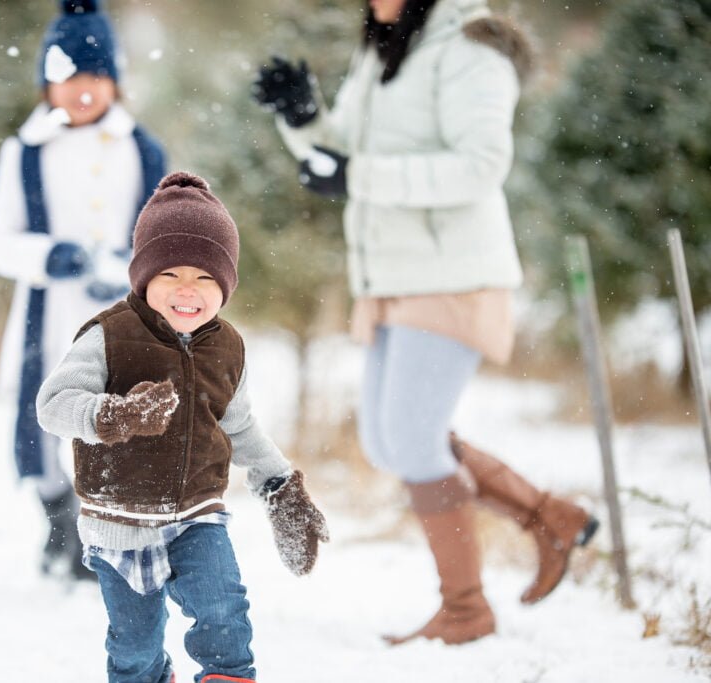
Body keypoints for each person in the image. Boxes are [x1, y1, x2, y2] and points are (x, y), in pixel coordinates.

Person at [253, 0, 598, 645]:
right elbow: (344, 158)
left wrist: (360, 175)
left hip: (454, 274)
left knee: (412, 440)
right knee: (393, 444)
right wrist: (300, 118)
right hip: (395, 278)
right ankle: (551, 518)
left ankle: (467, 609)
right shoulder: (385, 45)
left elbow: (480, 165)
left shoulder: (472, 45)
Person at [36, 171, 329, 683]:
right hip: (117, 522)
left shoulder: (228, 347)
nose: (187, 290)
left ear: (227, 285)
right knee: (134, 646)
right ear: (144, 276)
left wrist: (281, 485)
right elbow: (53, 404)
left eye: (205, 277)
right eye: (170, 274)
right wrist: (110, 416)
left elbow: (239, 427)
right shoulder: (108, 336)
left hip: (199, 514)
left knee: (225, 616)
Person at [0, 0, 166, 581]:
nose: (83, 90)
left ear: (114, 81)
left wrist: (132, 265)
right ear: (47, 83)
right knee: (44, 415)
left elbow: (163, 231)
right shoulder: (25, 153)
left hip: (119, 314)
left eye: (96, 76)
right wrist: (47, 255)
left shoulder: (142, 149)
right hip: (50, 310)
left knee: (115, 418)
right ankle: (58, 519)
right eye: (68, 77)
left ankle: (104, 530)